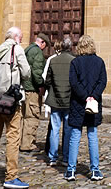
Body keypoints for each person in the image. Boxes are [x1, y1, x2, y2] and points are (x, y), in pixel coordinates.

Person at [0, 26, 31, 189]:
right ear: (16, 37)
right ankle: (11, 177)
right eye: (21, 37)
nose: (22, 40)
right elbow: (26, 73)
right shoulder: (17, 50)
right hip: (10, 102)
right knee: (12, 138)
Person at [64, 35, 107, 182]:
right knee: (92, 135)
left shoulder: (75, 62)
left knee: (75, 136)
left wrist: (84, 96)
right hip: (92, 104)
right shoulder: (99, 62)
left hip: (78, 103)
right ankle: (95, 170)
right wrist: (93, 96)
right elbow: (102, 82)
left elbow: (73, 83)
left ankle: (71, 171)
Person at [45, 36, 74, 167]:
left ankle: (53, 157)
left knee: (54, 129)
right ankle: (66, 157)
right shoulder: (74, 61)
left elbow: (48, 80)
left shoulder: (53, 60)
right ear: (71, 47)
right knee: (68, 130)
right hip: (69, 100)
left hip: (55, 99)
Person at [20, 32, 50, 153]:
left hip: (25, 88)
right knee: (32, 116)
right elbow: (37, 72)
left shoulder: (27, 49)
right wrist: (41, 85)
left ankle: (21, 141)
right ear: (42, 42)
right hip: (32, 89)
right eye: (45, 45)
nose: (44, 48)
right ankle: (28, 144)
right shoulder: (37, 52)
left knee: (24, 116)